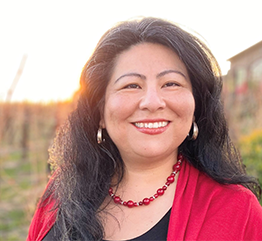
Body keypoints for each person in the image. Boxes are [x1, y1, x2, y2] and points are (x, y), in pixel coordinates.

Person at [27, 17, 262, 241]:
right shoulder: (63, 188)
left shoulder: (237, 210)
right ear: (99, 112)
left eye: (171, 83)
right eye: (131, 85)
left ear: (196, 106)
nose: (152, 101)